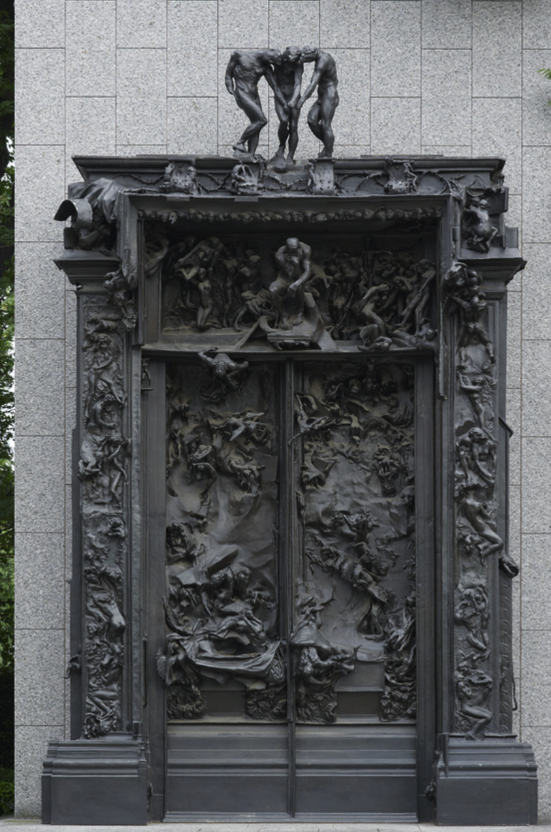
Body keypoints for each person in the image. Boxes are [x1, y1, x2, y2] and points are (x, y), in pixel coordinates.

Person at [225, 49, 287, 158]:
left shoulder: (266, 67)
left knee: (256, 124)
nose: (271, 63)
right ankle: (239, 143)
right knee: (262, 120)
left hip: (254, 95)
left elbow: (275, 87)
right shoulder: (239, 55)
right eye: (272, 60)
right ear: (268, 55)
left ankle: (250, 154)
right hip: (242, 93)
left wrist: (284, 103)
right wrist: (230, 89)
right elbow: (228, 74)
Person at [297, 46, 339, 158]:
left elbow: (313, 83)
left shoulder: (323, 60)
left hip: (329, 95)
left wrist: (302, 100)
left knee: (325, 125)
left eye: (306, 58)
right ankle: (328, 144)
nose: (305, 61)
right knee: (311, 120)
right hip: (322, 96)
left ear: (312, 53)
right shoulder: (318, 57)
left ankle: (328, 153)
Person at [269, 237, 312, 329]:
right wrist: (294, 264)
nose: (293, 253)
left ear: (299, 246)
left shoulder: (306, 249)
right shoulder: (279, 254)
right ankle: (283, 315)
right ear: (286, 248)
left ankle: (299, 312)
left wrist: (297, 282)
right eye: (291, 251)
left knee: (299, 286)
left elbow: (307, 271)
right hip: (284, 278)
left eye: (295, 250)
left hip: (299, 277)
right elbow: (290, 274)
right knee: (272, 290)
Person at [271, 47, 304, 164]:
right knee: (284, 121)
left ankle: (290, 157)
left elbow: (298, 83)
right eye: (292, 58)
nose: (294, 61)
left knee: (294, 126)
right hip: (280, 96)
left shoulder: (298, 63)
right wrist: (284, 102)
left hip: (293, 95)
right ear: (286, 56)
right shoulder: (277, 61)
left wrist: (294, 99)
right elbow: (274, 84)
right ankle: (281, 146)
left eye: (296, 59)